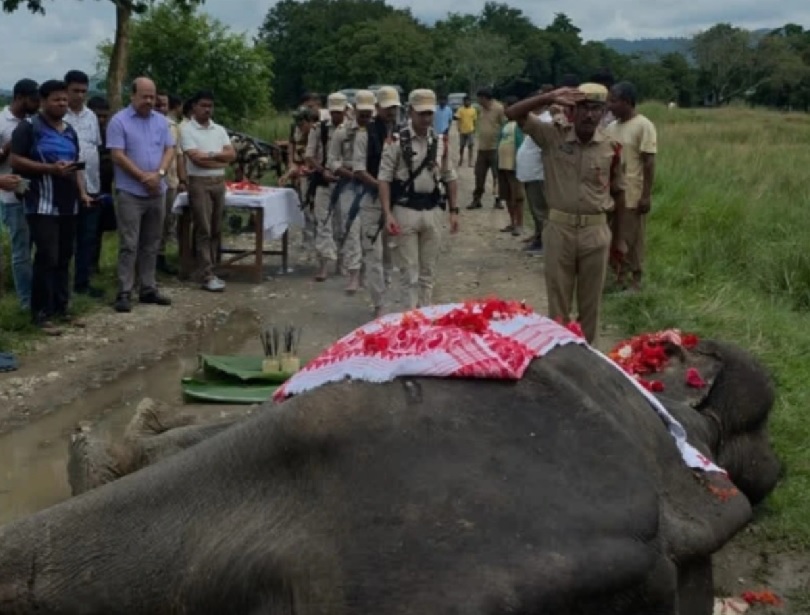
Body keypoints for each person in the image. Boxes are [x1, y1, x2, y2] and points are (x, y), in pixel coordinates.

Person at [506, 83, 626, 344]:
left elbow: (618, 193)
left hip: (596, 231)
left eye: (596, 109)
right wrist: (548, 96)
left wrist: (619, 239)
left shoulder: (612, 147)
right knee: (558, 304)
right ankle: (560, 356)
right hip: (559, 229)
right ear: (571, 110)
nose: (589, 115)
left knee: (590, 305)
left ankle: (587, 357)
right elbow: (513, 113)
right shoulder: (553, 137)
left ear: (604, 111)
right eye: (582, 108)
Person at [10, 79, 91, 334]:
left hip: (68, 203)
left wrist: (83, 193)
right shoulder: (29, 128)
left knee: (65, 255)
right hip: (40, 203)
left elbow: (76, 165)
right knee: (47, 256)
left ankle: (61, 307)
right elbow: (15, 160)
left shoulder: (69, 131)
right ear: (43, 101)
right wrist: (49, 169)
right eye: (56, 99)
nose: (62, 104)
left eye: (64, 99)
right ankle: (40, 313)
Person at [379, 89, 459, 310]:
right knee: (409, 272)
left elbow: (449, 176)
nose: (426, 118)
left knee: (428, 272)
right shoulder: (396, 142)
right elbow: (384, 179)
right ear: (410, 112)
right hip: (405, 210)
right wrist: (388, 214)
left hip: (432, 209)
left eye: (429, 114)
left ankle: (426, 315)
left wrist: (454, 210)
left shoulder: (439, 141)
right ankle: (410, 318)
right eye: (421, 113)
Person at [107, 77, 175, 313]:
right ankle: (124, 290)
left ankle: (148, 287)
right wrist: (143, 177)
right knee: (129, 243)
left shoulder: (161, 122)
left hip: (157, 190)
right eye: (144, 96)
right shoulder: (119, 121)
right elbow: (117, 154)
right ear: (132, 95)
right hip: (131, 191)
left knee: (152, 241)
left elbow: (169, 149)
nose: (149, 101)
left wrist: (160, 174)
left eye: (152, 96)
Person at [352, 86, 401, 316]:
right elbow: (359, 170)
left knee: (392, 252)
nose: (391, 112)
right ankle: (379, 303)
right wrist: (382, 188)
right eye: (388, 107)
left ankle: (388, 293)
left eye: (394, 108)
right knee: (373, 253)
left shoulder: (403, 134)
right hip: (372, 200)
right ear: (378, 108)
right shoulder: (365, 134)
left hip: (396, 202)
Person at [180, 90, 236, 292]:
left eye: (210, 106)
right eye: (203, 105)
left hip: (219, 181)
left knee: (216, 227)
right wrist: (218, 159)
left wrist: (211, 156)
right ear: (194, 107)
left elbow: (231, 155)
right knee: (203, 227)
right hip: (199, 182)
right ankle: (206, 273)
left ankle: (211, 265)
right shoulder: (187, 130)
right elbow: (195, 158)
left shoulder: (219, 129)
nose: (207, 110)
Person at [605, 81, 657, 292]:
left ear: (627, 102)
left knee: (632, 238)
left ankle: (636, 280)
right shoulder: (611, 128)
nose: (609, 106)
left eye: (613, 101)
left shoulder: (644, 125)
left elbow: (649, 162)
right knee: (612, 234)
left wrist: (646, 195)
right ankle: (619, 276)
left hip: (632, 193)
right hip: (612, 193)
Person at [328, 90, 375, 294]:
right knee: (352, 230)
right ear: (354, 111)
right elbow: (332, 160)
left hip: (371, 184)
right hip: (349, 184)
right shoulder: (342, 132)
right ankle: (354, 274)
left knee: (370, 231)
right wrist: (348, 173)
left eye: (368, 114)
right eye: (362, 114)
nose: (365, 118)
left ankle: (368, 273)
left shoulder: (376, 131)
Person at [64, 70, 104, 298]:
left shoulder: (90, 116)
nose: (79, 96)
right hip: (67, 188)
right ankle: (63, 286)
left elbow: (94, 147)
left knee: (87, 237)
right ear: (66, 90)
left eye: (83, 91)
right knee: (66, 239)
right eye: (75, 91)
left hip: (92, 184)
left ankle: (82, 282)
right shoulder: (60, 116)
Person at [0, 78, 39, 310]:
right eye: (33, 100)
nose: (37, 104)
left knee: (39, 249)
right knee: (21, 252)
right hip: (11, 197)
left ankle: (40, 296)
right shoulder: (2, 121)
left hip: (36, 196)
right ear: (19, 98)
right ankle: (27, 303)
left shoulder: (35, 122)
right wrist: (10, 145)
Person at [304, 92, 346, 282]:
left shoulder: (351, 131)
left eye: (340, 111)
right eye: (334, 111)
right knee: (322, 223)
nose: (337, 115)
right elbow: (309, 155)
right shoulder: (318, 129)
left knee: (343, 224)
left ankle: (342, 263)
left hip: (345, 182)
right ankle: (323, 265)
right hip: (322, 181)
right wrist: (322, 171)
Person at [516, 86, 553, 254]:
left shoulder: (545, 121)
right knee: (535, 208)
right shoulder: (538, 120)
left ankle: (544, 242)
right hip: (530, 173)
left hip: (538, 173)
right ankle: (538, 236)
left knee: (541, 210)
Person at [155, 92, 186, 275]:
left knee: (168, 221)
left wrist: (182, 180)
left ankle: (161, 257)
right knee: (155, 223)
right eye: (157, 105)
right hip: (153, 180)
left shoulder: (174, 127)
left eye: (163, 105)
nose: (160, 108)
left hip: (171, 179)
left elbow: (179, 155)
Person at [87, 95, 116, 274]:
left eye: (105, 116)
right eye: (98, 116)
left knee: (99, 229)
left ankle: (94, 265)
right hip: (84, 186)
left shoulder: (109, 134)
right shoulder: (84, 131)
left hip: (104, 187)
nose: (102, 120)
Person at [468, 87, 505, 210]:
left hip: (495, 148)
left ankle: (498, 200)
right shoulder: (480, 109)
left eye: (479, 98)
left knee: (497, 176)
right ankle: (477, 199)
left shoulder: (499, 108)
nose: (478, 100)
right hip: (482, 149)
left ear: (484, 98)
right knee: (479, 174)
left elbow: (504, 125)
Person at [496, 96, 525, 237]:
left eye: (507, 107)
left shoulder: (520, 124)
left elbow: (521, 144)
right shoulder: (505, 124)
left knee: (517, 197)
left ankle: (520, 224)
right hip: (503, 165)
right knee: (507, 196)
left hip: (514, 166)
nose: (505, 110)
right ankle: (512, 222)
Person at [455, 95, 477, 167]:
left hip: (470, 130)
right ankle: (461, 159)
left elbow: (474, 120)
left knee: (470, 146)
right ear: (463, 102)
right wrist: (458, 127)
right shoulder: (460, 109)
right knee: (462, 146)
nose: (467, 102)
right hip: (462, 131)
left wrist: (475, 129)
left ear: (470, 102)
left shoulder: (473, 110)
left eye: (468, 101)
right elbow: (458, 119)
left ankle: (470, 161)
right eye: (465, 101)